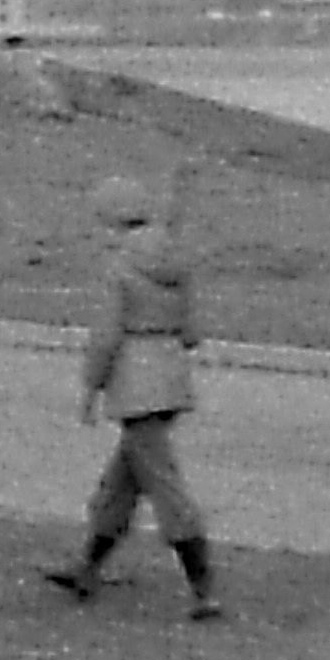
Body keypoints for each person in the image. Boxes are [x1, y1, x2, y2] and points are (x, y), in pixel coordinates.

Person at [45, 176, 221, 619]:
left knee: (163, 485)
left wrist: (91, 387)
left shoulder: (118, 267)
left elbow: (106, 336)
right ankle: (87, 567)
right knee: (122, 482)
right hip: (171, 375)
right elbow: (192, 333)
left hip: (134, 377)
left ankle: (204, 589)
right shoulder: (178, 260)